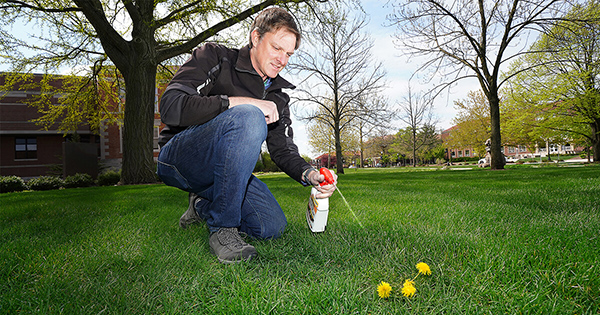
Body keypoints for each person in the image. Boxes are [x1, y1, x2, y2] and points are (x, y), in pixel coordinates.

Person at [156, 7, 337, 264]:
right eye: (276, 48)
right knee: (249, 114)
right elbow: (171, 105)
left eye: (289, 54)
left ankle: (201, 205)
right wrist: (238, 103)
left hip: (224, 172)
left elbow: (282, 148)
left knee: (271, 227)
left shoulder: (278, 95)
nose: (282, 60)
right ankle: (224, 230)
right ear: (255, 38)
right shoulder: (215, 57)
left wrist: (311, 174)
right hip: (179, 158)